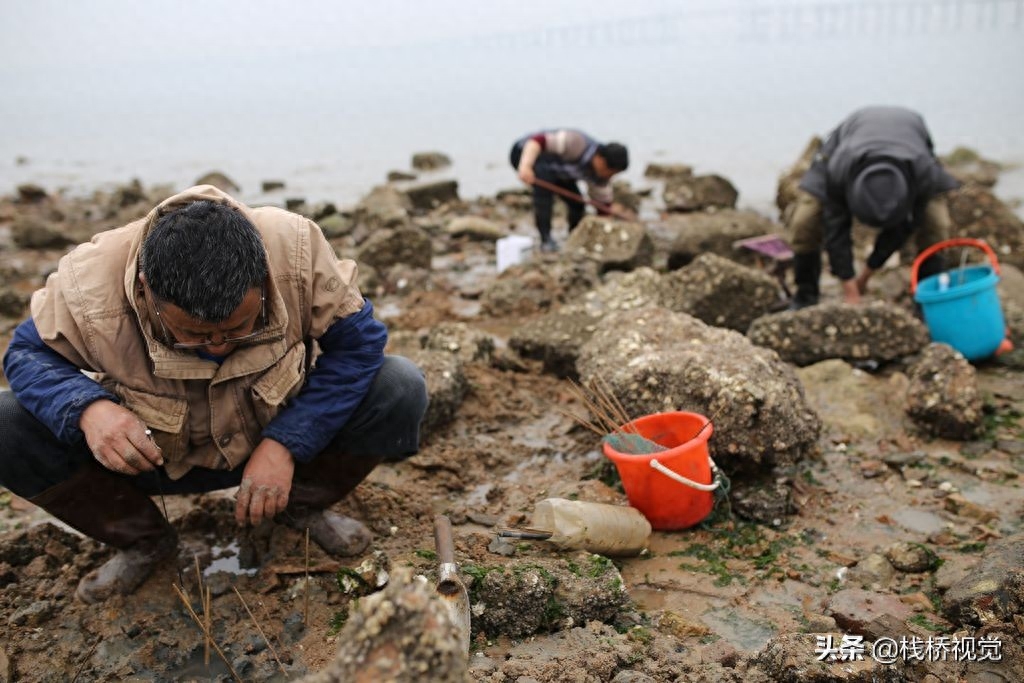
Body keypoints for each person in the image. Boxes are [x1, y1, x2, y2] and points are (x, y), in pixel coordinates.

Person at [0, 185, 429, 603]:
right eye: (194, 334)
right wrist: (87, 409)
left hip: (277, 444)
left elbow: (359, 345)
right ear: (147, 290)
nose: (218, 347)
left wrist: (287, 444)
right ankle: (143, 540)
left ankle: (297, 508)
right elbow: (25, 354)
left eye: (238, 329)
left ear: (262, 278)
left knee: (399, 385)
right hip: (151, 458)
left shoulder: (295, 249)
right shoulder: (87, 285)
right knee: (5, 421)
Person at [786, 106, 960, 308]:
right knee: (804, 222)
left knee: (937, 225)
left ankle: (928, 297)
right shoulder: (839, 169)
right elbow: (836, 230)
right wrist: (850, 289)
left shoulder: (923, 173)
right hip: (845, 148)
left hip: (911, 144)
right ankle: (805, 295)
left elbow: (904, 228)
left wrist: (867, 273)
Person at [509, 128, 630, 252]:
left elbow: (603, 208)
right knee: (544, 192)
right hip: (526, 152)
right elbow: (537, 141)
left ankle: (574, 237)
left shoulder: (600, 177)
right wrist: (526, 166)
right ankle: (546, 240)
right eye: (609, 172)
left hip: (558, 171)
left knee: (577, 204)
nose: (609, 176)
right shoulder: (576, 143)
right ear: (600, 159)